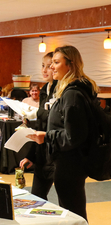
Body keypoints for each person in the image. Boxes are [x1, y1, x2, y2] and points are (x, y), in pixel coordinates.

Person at [26, 45, 99, 221]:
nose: (51, 67)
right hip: (67, 162)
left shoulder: (73, 94)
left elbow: (73, 136)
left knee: (73, 213)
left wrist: (47, 136)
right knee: (71, 212)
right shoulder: (70, 90)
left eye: (56, 62)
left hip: (70, 164)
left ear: (70, 65)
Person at [20, 52, 57, 200]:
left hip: (58, 154)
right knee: (37, 197)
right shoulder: (44, 91)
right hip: (42, 154)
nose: (45, 70)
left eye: (49, 66)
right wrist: (31, 156)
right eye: (43, 66)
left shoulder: (62, 91)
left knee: (69, 205)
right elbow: (40, 127)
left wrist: (38, 113)